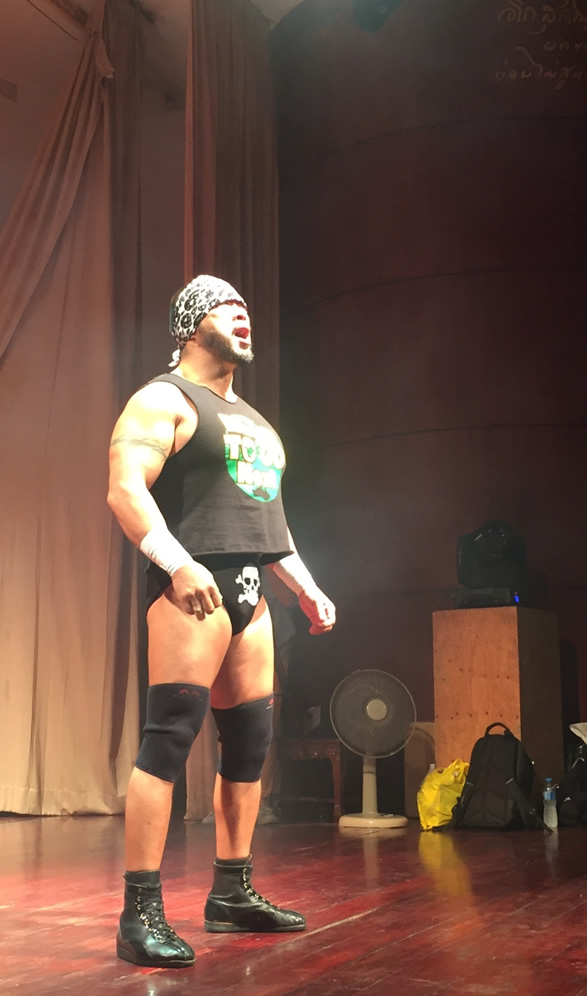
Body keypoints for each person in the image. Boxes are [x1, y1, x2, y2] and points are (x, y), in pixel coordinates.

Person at [107, 274, 336, 969]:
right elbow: (125, 490)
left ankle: (232, 893)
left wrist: (306, 588)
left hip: (251, 597)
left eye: (245, 307)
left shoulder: (259, 425)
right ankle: (140, 912)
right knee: (170, 738)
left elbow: (271, 525)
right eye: (225, 306)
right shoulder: (163, 400)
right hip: (191, 590)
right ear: (190, 323)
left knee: (249, 746)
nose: (243, 316)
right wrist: (177, 564)